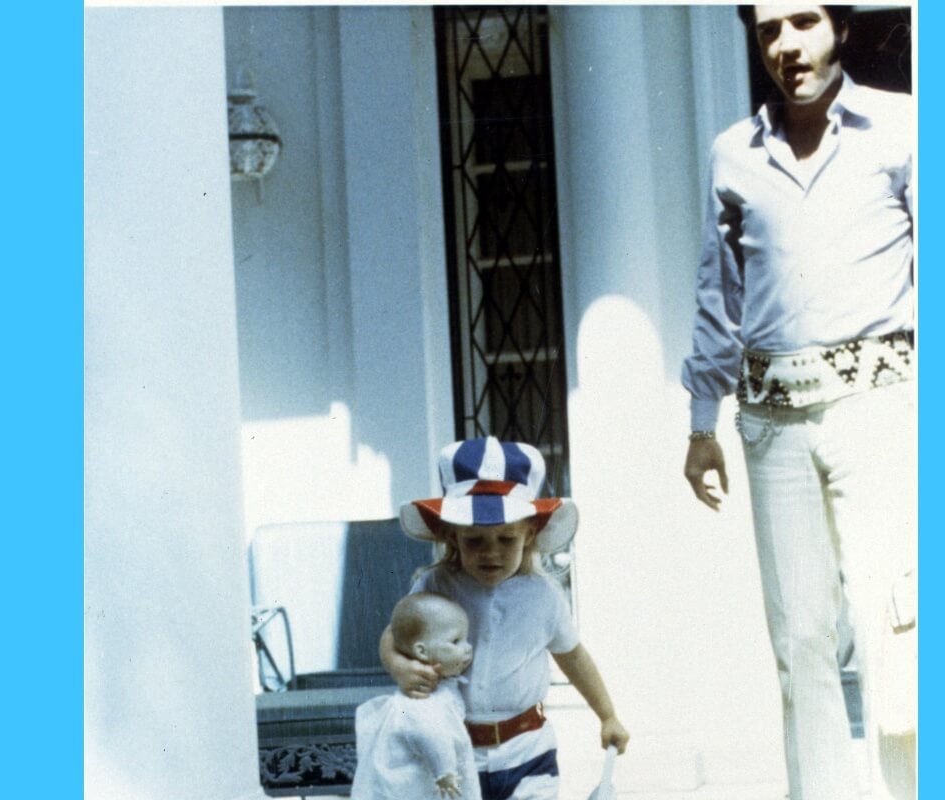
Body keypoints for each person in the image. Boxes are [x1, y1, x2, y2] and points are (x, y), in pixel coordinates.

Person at [679, 5, 917, 799]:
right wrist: (700, 424)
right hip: (772, 421)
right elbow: (720, 297)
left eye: (804, 22)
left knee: (896, 627)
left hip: (881, 408)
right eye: (768, 30)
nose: (786, 46)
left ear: (841, 29)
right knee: (801, 639)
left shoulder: (902, 129)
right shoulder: (731, 155)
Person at [381, 436, 629, 800]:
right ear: (452, 536)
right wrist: (398, 665)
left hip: (527, 747)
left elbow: (573, 655)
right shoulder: (436, 584)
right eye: (475, 541)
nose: (491, 553)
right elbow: (394, 633)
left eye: (506, 539)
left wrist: (607, 714)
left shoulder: (543, 596)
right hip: (456, 748)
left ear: (529, 535)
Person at [353, 592, 482, 800]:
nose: (468, 648)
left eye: (466, 639)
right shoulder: (422, 702)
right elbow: (433, 735)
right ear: (422, 652)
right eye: (456, 641)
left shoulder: (440, 687)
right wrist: (445, 770)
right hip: (431, 776)